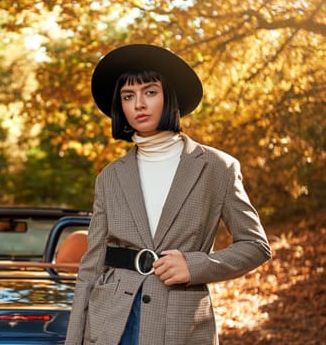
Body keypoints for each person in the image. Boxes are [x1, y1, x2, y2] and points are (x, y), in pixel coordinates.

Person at [64, 44, 271, 345]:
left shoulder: (218, 168)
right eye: (128, 96)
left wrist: (195, 266)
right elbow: (92, 265)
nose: (139, 104)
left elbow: (255, 245)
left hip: (181, 323)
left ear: (169, 97)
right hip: (110, 321)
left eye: (150, 92)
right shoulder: (109, 176)